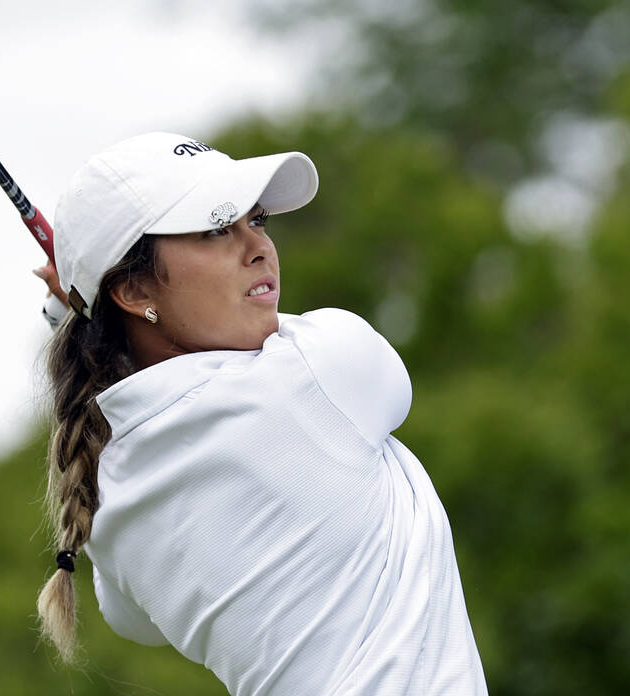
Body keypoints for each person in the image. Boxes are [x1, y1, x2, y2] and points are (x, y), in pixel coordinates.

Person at [32, 131, 488, 695]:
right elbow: (381, 374)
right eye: (217, 228)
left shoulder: (108, 493)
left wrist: (81, 307)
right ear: (132, 288)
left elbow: (132, 620)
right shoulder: (313, 371)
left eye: (258, 221)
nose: (258, 247)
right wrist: (78, 303)